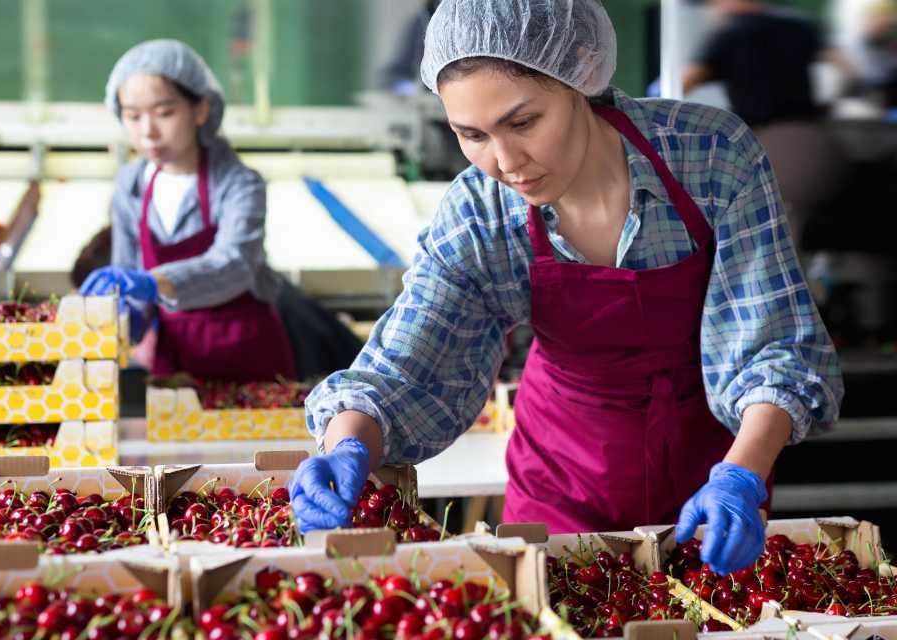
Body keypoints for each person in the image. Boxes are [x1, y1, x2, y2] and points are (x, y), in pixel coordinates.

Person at [289, 0, 843, 576]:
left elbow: (771, 346)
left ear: (581, 71)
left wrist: (740, 476)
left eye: (523, 122)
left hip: (714, 479)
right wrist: (347, 442)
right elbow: (411, 361)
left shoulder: (710, 158)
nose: (504, 162)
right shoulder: (482, 212)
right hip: (561, 478)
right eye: (471, 135)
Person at [80, 40, 295, 383]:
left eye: (164, 113)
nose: (147, 131)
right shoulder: (131, 185)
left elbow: (234, 264)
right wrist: (126, 321)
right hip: (175, 359)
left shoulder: (239, 183)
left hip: (245, 351)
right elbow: (128, 269)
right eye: (132, 116)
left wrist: (153, 282)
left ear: (201, 109)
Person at [683, 0, 850, 246]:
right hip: (818, 147)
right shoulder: (800, 27)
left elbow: (681, 85)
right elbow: (848, 70)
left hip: (771, 152)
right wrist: (831, 104)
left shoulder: (727, 35)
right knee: (795, 232)